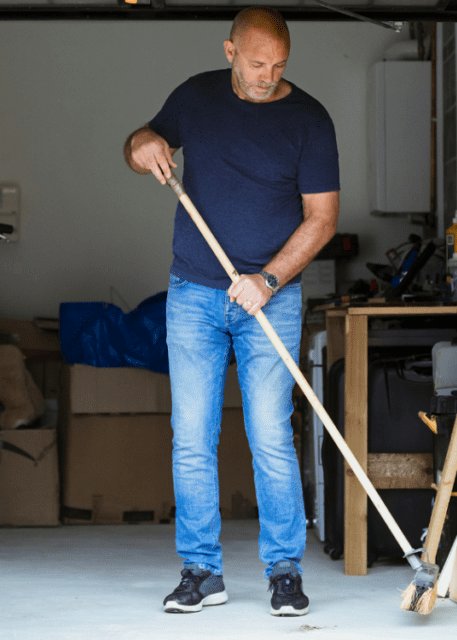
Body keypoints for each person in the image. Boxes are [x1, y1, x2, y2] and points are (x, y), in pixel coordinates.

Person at [123, 6, 340, 617]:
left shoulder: (309, 120)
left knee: (271, 434)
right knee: (192, 437)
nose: (267, 75)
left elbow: (322, 219)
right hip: (194, 293)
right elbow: (141, 141)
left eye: (278, 65)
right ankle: (201, 571)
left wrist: (267, 280)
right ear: (229, 51)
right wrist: (142, 144)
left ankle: (284, 571)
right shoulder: (195, 98)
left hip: (272, 297)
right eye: (255, 62)